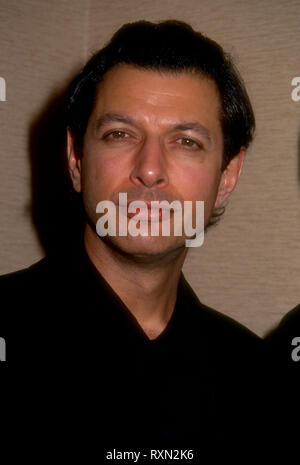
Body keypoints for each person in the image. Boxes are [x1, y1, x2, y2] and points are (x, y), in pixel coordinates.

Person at [0, 20, 267, 460]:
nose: (149, 168)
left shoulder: (257, 376)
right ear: (76, 158)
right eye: (119, 134)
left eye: (186, 141)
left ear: (227, 176)